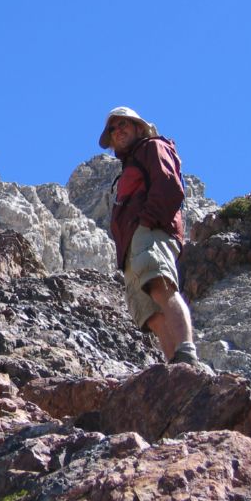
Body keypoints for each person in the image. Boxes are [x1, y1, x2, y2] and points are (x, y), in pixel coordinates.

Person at [99, 106, 202, 367]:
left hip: (150, 232)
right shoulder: (129, 166)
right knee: (150, 314)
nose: (118, 130)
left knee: (161, 286)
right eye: (113, 128)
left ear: (138, 127)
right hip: (132, 245)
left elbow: (168, 184)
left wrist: (148, 220)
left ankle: (186, 350)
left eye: (124, 124)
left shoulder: (152, 148)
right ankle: (175, 366)